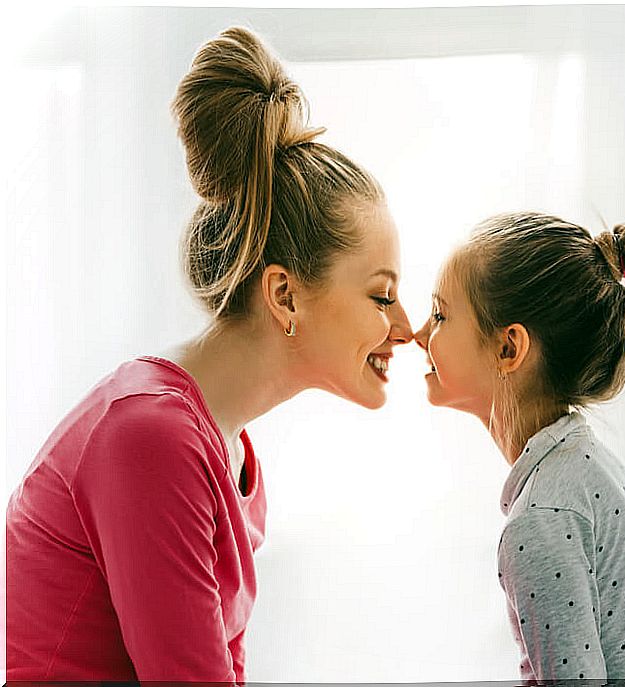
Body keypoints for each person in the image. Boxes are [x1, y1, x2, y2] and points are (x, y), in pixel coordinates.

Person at [5, 26, 412, 681]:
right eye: (382, 294)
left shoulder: (234, 458)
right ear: (284, 294)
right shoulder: (150, 436)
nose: (408, 326)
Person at [414, 211, 625, 681]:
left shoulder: (542, 519)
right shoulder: (588, 472)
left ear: (509, 349)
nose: (419, 334)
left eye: (440, 315)